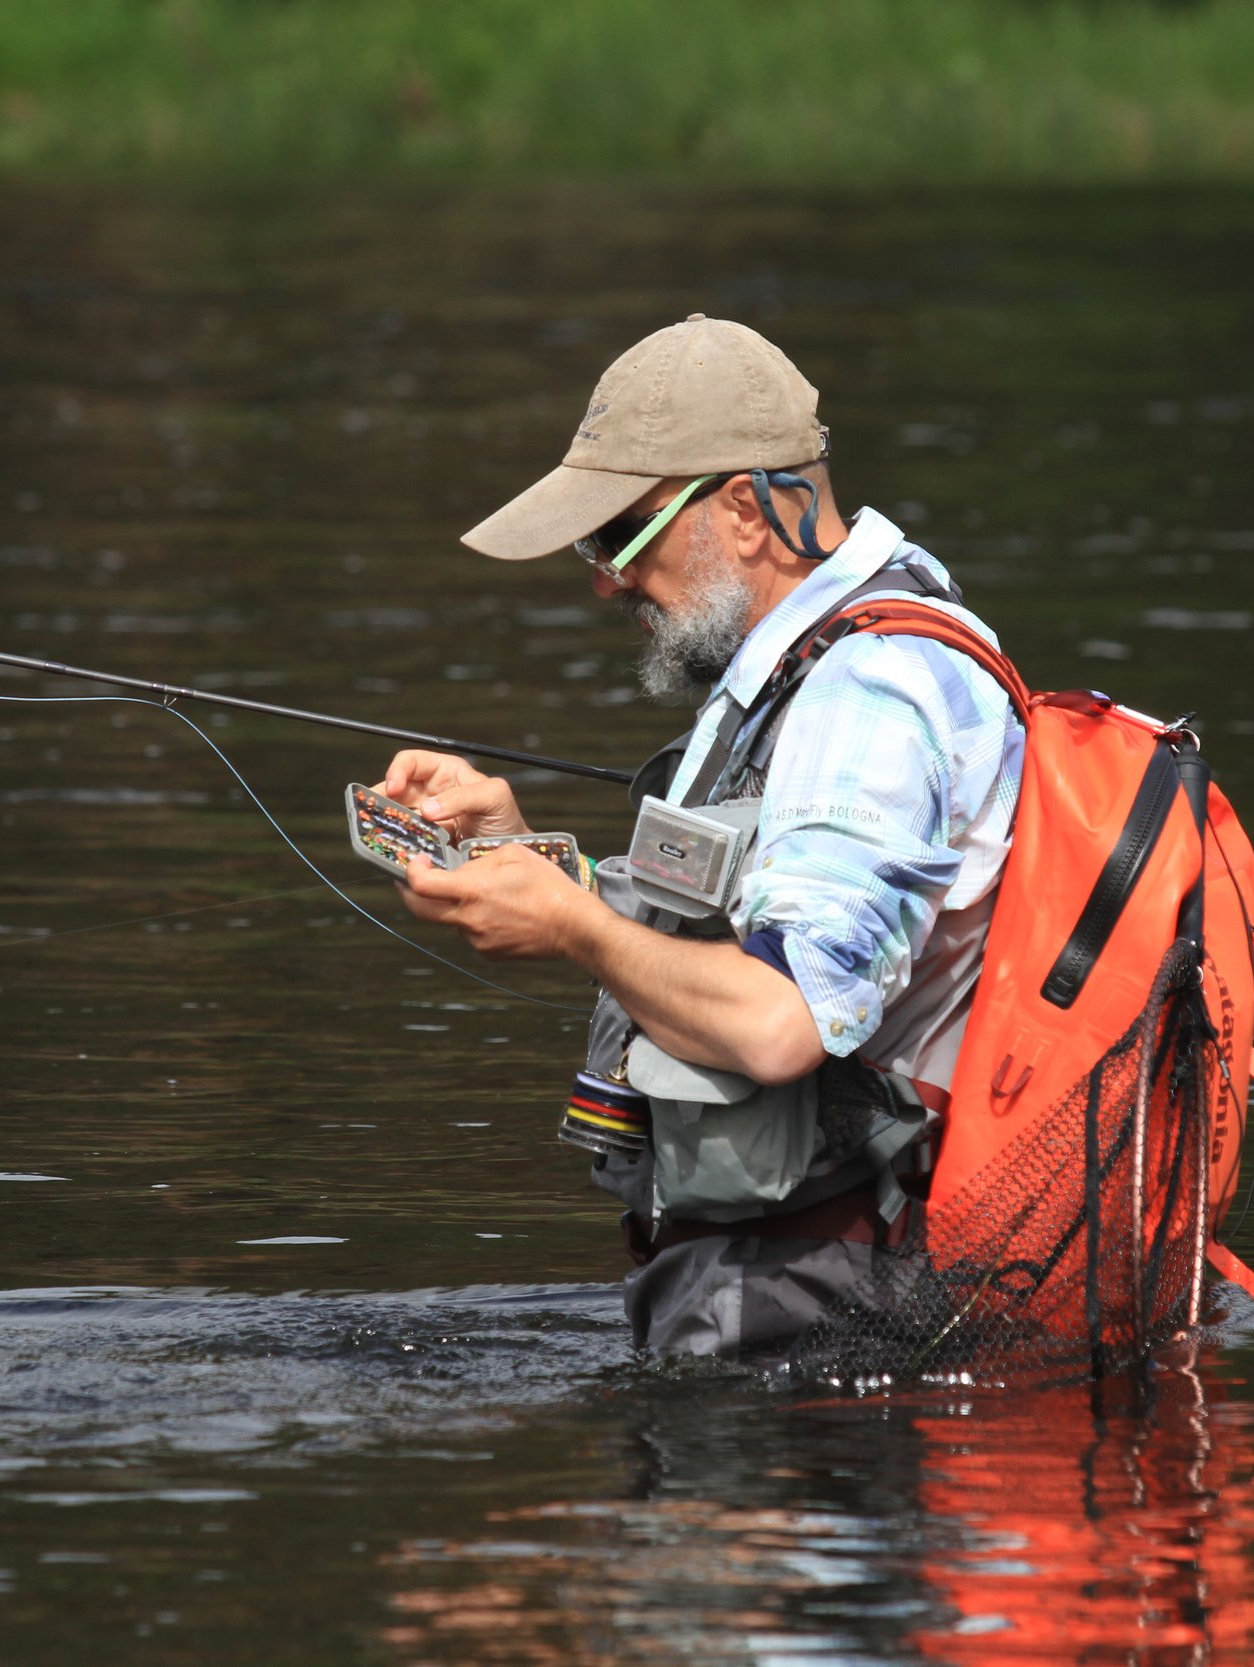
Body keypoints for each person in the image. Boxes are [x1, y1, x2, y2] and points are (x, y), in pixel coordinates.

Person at [382, 314, 1025, 1362]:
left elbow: (782, 1019)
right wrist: (536, 863)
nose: (603, 577)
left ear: (743, 510)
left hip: (839, 1310)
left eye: (620, 534)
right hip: (807, 1285)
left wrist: (576, 930)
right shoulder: (811, 650)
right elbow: (745, 922)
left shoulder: (868, 689)